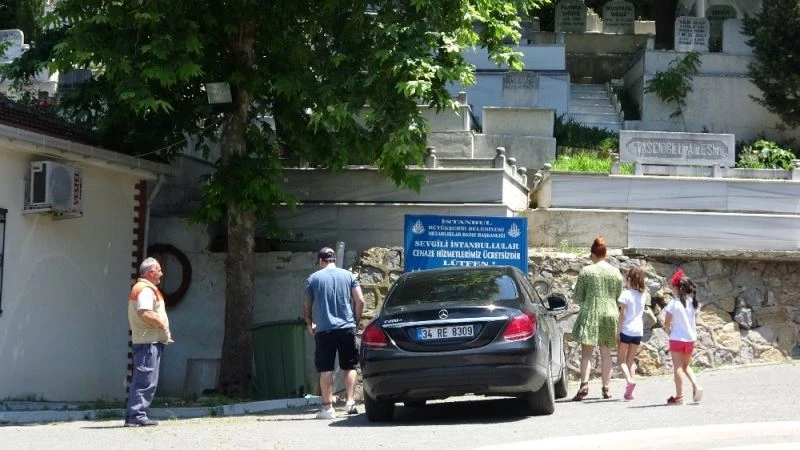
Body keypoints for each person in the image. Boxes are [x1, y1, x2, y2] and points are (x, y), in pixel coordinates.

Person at [304, 247, 364, 419]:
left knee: (325, 369)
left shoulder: (313, 278)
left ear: (321, 261)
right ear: (334, 260)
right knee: (349, 366)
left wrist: (309, 323)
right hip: (347, 328)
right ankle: (350, 402)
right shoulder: (349, 276)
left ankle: (328, 408)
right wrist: (355, 321)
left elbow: (307, 304)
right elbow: (359, 300)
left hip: (324, 330)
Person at [571, 236, 624, 401]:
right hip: (610, 312)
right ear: (605, 254)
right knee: (606, 353)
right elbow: (619, 297)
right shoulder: (615, 272)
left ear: (593, 254)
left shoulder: (587, 271)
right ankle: (606, 388)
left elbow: (578, 297)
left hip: (591, 311)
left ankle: (584, 384)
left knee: (586, 353)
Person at [125, 257, 173, 427]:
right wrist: (162, 324)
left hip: (148, 341)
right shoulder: (145, 290)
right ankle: (136, 416)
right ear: (151, 272)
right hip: (148, 342)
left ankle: (136, 415)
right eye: (159, 270)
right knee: (145, 380)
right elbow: (145, 312)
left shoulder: (145, 288)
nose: (161, 273)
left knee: (145, 379)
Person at [664, 268, 703, 405]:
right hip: (690, 339)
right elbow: (694, 321)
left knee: (678, 367)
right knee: (686, 366)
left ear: (677, 288)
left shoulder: (673, 303)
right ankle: (696, 385)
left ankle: (679, 397)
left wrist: (669, 332)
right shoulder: (694, 303)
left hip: (676, 339)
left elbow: (667, 323)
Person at [616, 266, 647, 400]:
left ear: (628, 279)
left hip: (627, 329)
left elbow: (622, 314)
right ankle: (629, 393)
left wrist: (618, 331)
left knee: (621, 360)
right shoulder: (643, 295)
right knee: (630, 360)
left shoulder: (626, 294)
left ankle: (629, 380)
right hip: (638, 331)